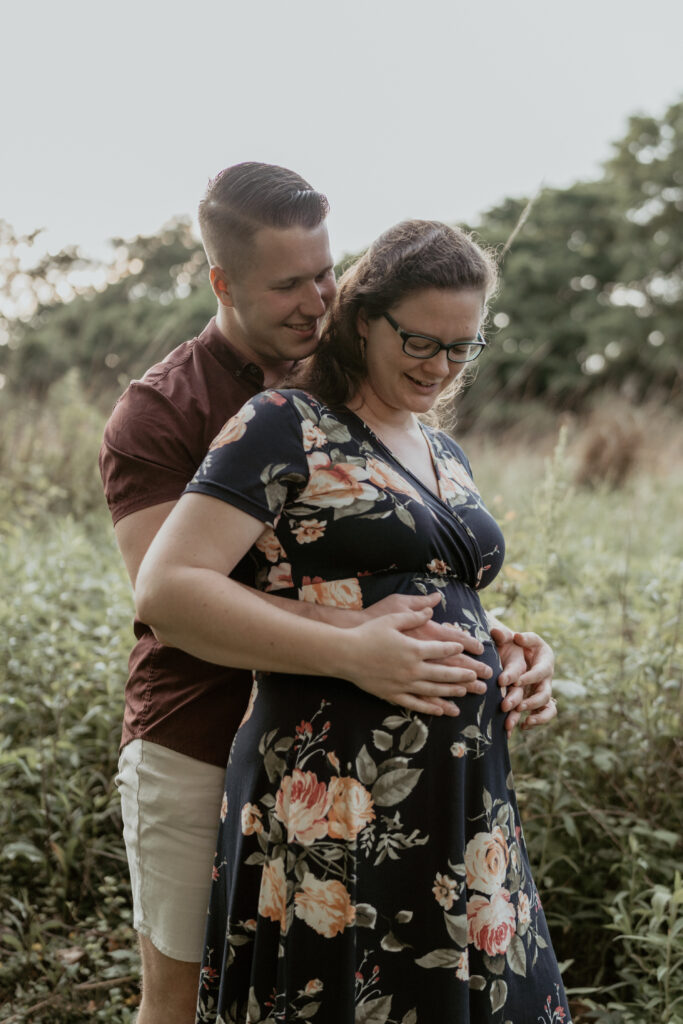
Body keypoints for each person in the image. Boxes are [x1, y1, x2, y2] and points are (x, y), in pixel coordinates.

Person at [100, 163, 556, 1023]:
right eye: (288, 285)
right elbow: (167, 594)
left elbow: (386, 574)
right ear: (222, 283)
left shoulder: (393, 414)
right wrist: (356, 644)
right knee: (187, 997)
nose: (317, 301)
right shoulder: (170, 411)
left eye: (324, 272)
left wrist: (489, 638)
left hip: (417, 774)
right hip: (205, 734)